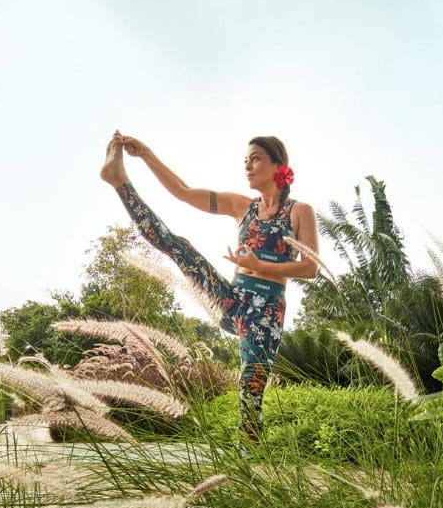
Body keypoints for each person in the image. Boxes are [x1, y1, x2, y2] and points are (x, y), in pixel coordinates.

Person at [100, 130, 319, 452]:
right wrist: (145, 153)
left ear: (278, 165)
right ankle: (120, 182)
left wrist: (262, 265)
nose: (247, 166)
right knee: (179, 247)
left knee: (251, 389)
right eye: (245, 160)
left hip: (266, 310)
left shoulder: (300, 211)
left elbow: (311, 267)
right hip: (232, 298)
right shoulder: (241, 206)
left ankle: (248, 455)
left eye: (255, 158)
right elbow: (183, 192)